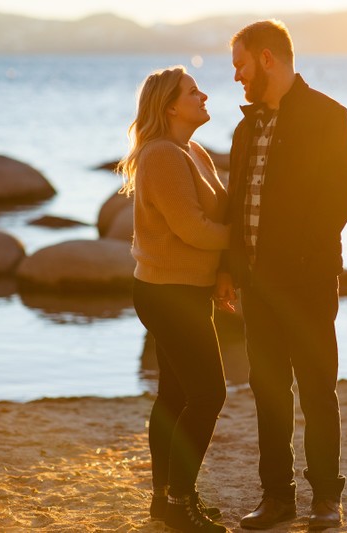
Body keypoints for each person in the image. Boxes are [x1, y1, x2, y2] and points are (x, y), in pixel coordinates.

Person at [215, 19, 347, 530]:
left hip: (308, 282)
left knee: (318, 392)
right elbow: (237, 207)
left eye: (240, 65)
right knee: (268, 392)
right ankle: (277, 498)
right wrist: (230, 271)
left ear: (267, 58)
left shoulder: (329, 116)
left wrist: (295, 258)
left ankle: (326, 500)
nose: (236, 77)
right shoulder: (245, 128)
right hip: (257, 287)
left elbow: (344, 199)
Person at [118, 66, 231, 533]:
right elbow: (193, 230)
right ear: (169, 106)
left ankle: (165, 501)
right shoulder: (163, 155)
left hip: (183, 290)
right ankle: (180, 503)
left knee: (174, 396)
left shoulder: (193, 150)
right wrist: (249, 245)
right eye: (192, 92)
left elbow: (211, 220)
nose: (203, 95)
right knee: (209, 394)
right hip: (168, 294)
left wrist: (223, 270)